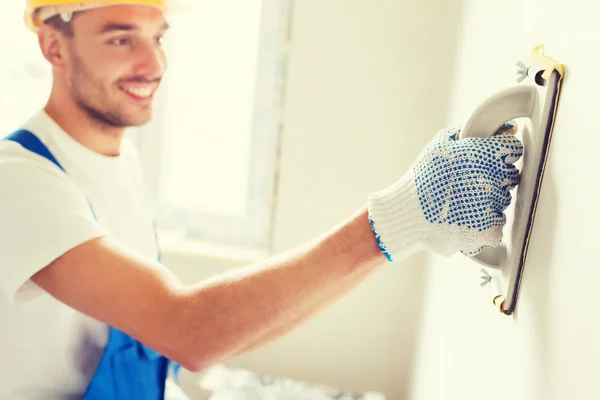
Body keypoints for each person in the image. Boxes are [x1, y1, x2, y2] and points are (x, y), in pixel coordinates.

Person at [0, 0, 524, 398]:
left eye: (158, 37)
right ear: (52, 46)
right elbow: (184, 329)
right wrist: (402, 217)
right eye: (121, 40)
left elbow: (167, 339)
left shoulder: (119, 161)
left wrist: (399, 234)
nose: (153, 64)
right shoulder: (18, 180)